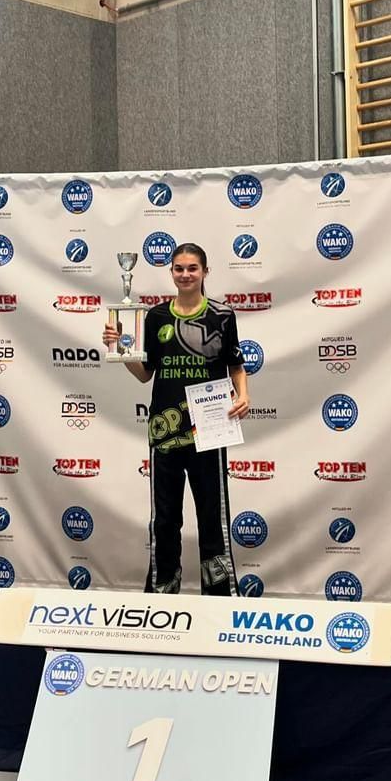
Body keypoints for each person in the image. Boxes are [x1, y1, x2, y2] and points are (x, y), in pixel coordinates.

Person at [103, 243, 250, 595]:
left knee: (213, 518)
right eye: (179, 268)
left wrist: (243, 394)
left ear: (205, 272)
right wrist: (120, 349)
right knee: (165, 520)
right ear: (171, 272)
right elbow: (145, 374)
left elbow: (236, 366)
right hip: (165, 433)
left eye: (192, 268)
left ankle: (219, 597)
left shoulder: (222, 315)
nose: (185, 274)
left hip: (209, 432)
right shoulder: (155, 317)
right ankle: (162, 594)